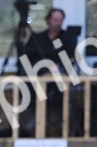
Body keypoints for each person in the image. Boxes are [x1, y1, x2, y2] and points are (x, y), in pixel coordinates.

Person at [19, 8, 81, 136]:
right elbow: (27, 57)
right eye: (55, 20)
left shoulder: (67, 38)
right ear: (48, 21)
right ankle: (33, 123)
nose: (58, 23)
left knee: (60, 94)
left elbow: (71, 58)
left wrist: (57, 67)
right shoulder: (37, 38)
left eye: (60, 20)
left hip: (59, 77)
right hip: (38, 77)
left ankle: (57, 123)